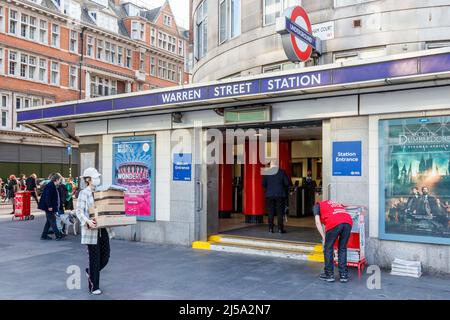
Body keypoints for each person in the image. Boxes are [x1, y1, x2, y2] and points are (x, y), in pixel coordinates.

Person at [75, 167, 114, 295]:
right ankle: (94, 287)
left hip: (103, 229)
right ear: (88, 180)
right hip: (91, 231)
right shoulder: (84, 193)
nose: (97, 179)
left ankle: (90, 272)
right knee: (94, 259)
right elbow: (79, 211)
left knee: (106, 257)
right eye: (95, 177)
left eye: (98, 177)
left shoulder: (100, 191)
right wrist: (87, 221)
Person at [313, 200, 353, 283]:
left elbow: (317, 222)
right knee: (342, 248)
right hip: (348, 221)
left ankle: (329, 274)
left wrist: (324, 237)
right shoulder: (335, 203)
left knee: (328, 247)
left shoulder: (317, 205)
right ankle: (343, 275)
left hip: (334, 222)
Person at [262, 160, 290, 233]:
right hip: (280, 195)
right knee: (280, 212)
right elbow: (287, 183)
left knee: (270, 212)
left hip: (269, 195)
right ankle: (280, 229)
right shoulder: (282, 172)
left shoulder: (267, 172)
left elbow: (263, 184)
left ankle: (270, 229)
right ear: (277, 165)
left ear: (271, 165)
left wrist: (270, 188)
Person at [39, 173, 64, 240]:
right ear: (56, 179)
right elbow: (48, 197)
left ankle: (44, 235)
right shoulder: (50, 186)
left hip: (50, 207)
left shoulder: (52, 185)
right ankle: (58, 235)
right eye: (60, 180)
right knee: (52, 221)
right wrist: (49, 206)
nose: (60, 181)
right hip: (49, 207)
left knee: (49, 221)